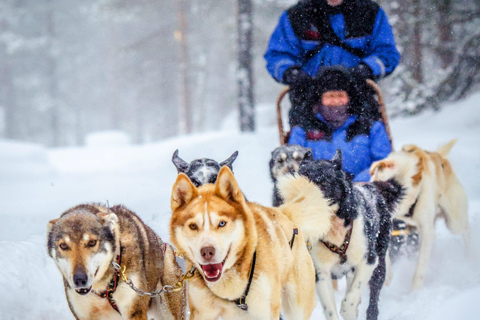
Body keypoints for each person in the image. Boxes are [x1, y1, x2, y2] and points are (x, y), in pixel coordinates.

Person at [264, 0, 400, 127]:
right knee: (303, 144)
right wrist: (291, 72)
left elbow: (386, 53)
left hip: (358, 95)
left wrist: (367, 68)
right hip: (309, 96)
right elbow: (277, 55)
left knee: (369, 140)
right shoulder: (296, 16)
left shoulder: (369, 12)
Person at [287, 67, 392, 182]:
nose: (336, 101)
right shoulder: (303, 129)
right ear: (320, 99)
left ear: (349, 98)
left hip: (363, 188)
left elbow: (383, 162)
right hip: (316, 191)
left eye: (340, 95)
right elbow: (294, 164)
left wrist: (361, 182)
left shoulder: (370, 126)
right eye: (330, 96)